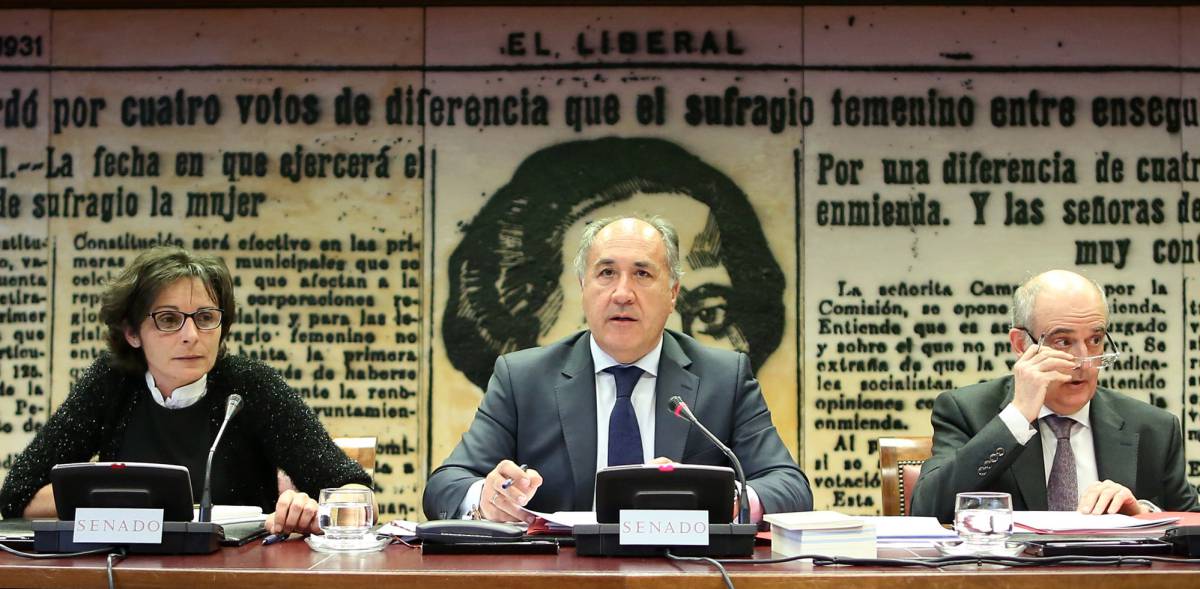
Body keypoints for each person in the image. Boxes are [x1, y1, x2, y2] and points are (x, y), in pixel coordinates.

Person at [424, 215, 810, 522]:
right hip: (561, 580)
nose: (622, 293)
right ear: (583, 287)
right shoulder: (523, 378)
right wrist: (486, 500)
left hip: (684, 578)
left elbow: (790, 486)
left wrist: (731, 499)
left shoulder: (724, 377)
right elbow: (444, 486)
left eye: (642, 274)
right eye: (606, 273)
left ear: (673, 293)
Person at [0, 246, 370, 535]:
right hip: (125, 567)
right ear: (131, 332)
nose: (191, 335)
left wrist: (305, 509)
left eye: (206, 318)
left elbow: (356, 491)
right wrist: (125, 501)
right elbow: (18, 496)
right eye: (169, 319)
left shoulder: (251, 385)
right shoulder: (112, 382)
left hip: (233, 573)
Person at [443, 137, 785, 391]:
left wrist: (736, 490)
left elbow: (785, 483)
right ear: (526, 328)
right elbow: (452, 482)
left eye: (711, 313)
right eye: (607, 277)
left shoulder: (731, 387)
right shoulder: (517, 394)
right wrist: (495, 488)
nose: (671, 333)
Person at [911, 269, 1199, 522]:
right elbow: (927, 511)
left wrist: (1144, 515)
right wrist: (1017, 417)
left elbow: (1192, 524)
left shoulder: (1153, 428)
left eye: (1095, 340)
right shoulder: (966, 411)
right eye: (1064, 341)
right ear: (1021, 344)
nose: (1082, 361)